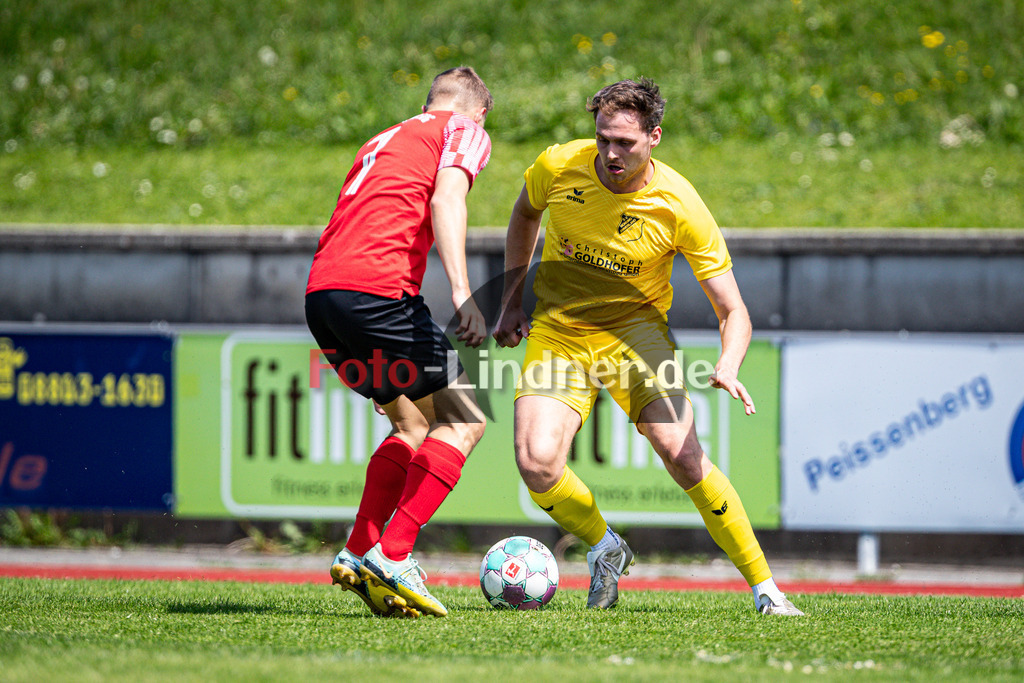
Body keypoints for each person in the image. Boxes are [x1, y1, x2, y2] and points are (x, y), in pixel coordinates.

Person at [492, 78, 803, 616]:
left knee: (683, 458)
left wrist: (729, 364)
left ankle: (766, 589)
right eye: (602, 139)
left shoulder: (680, 204)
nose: (610, 153)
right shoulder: (559, 165)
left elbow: (734, 311)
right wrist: (510, 301)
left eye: (625, 144)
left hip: (635, 335)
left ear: (654, 137)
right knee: (537, 462)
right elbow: (524, 214)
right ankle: (606, 546)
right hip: (561, 332)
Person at [305, 66, 493, 618]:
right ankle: (395, 552)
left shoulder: (386, 137)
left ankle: (359, 548)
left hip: (324, 298)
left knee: (412, 424)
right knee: (464, 420)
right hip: (377, 294)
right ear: (477, 111)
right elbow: (447, 202)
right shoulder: (463, 129)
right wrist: (462, 292)